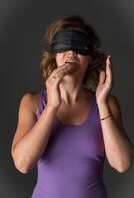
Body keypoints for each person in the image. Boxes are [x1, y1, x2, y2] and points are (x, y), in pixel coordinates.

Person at [11, 15, 134, 198]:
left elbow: (122, 164)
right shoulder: (32, 102)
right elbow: (22, 164)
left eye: (79, 46)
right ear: (55, 55)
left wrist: (101, 103)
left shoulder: (106, 103)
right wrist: (52, 107)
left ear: (91, 58)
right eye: (64, 46)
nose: (71, 52)